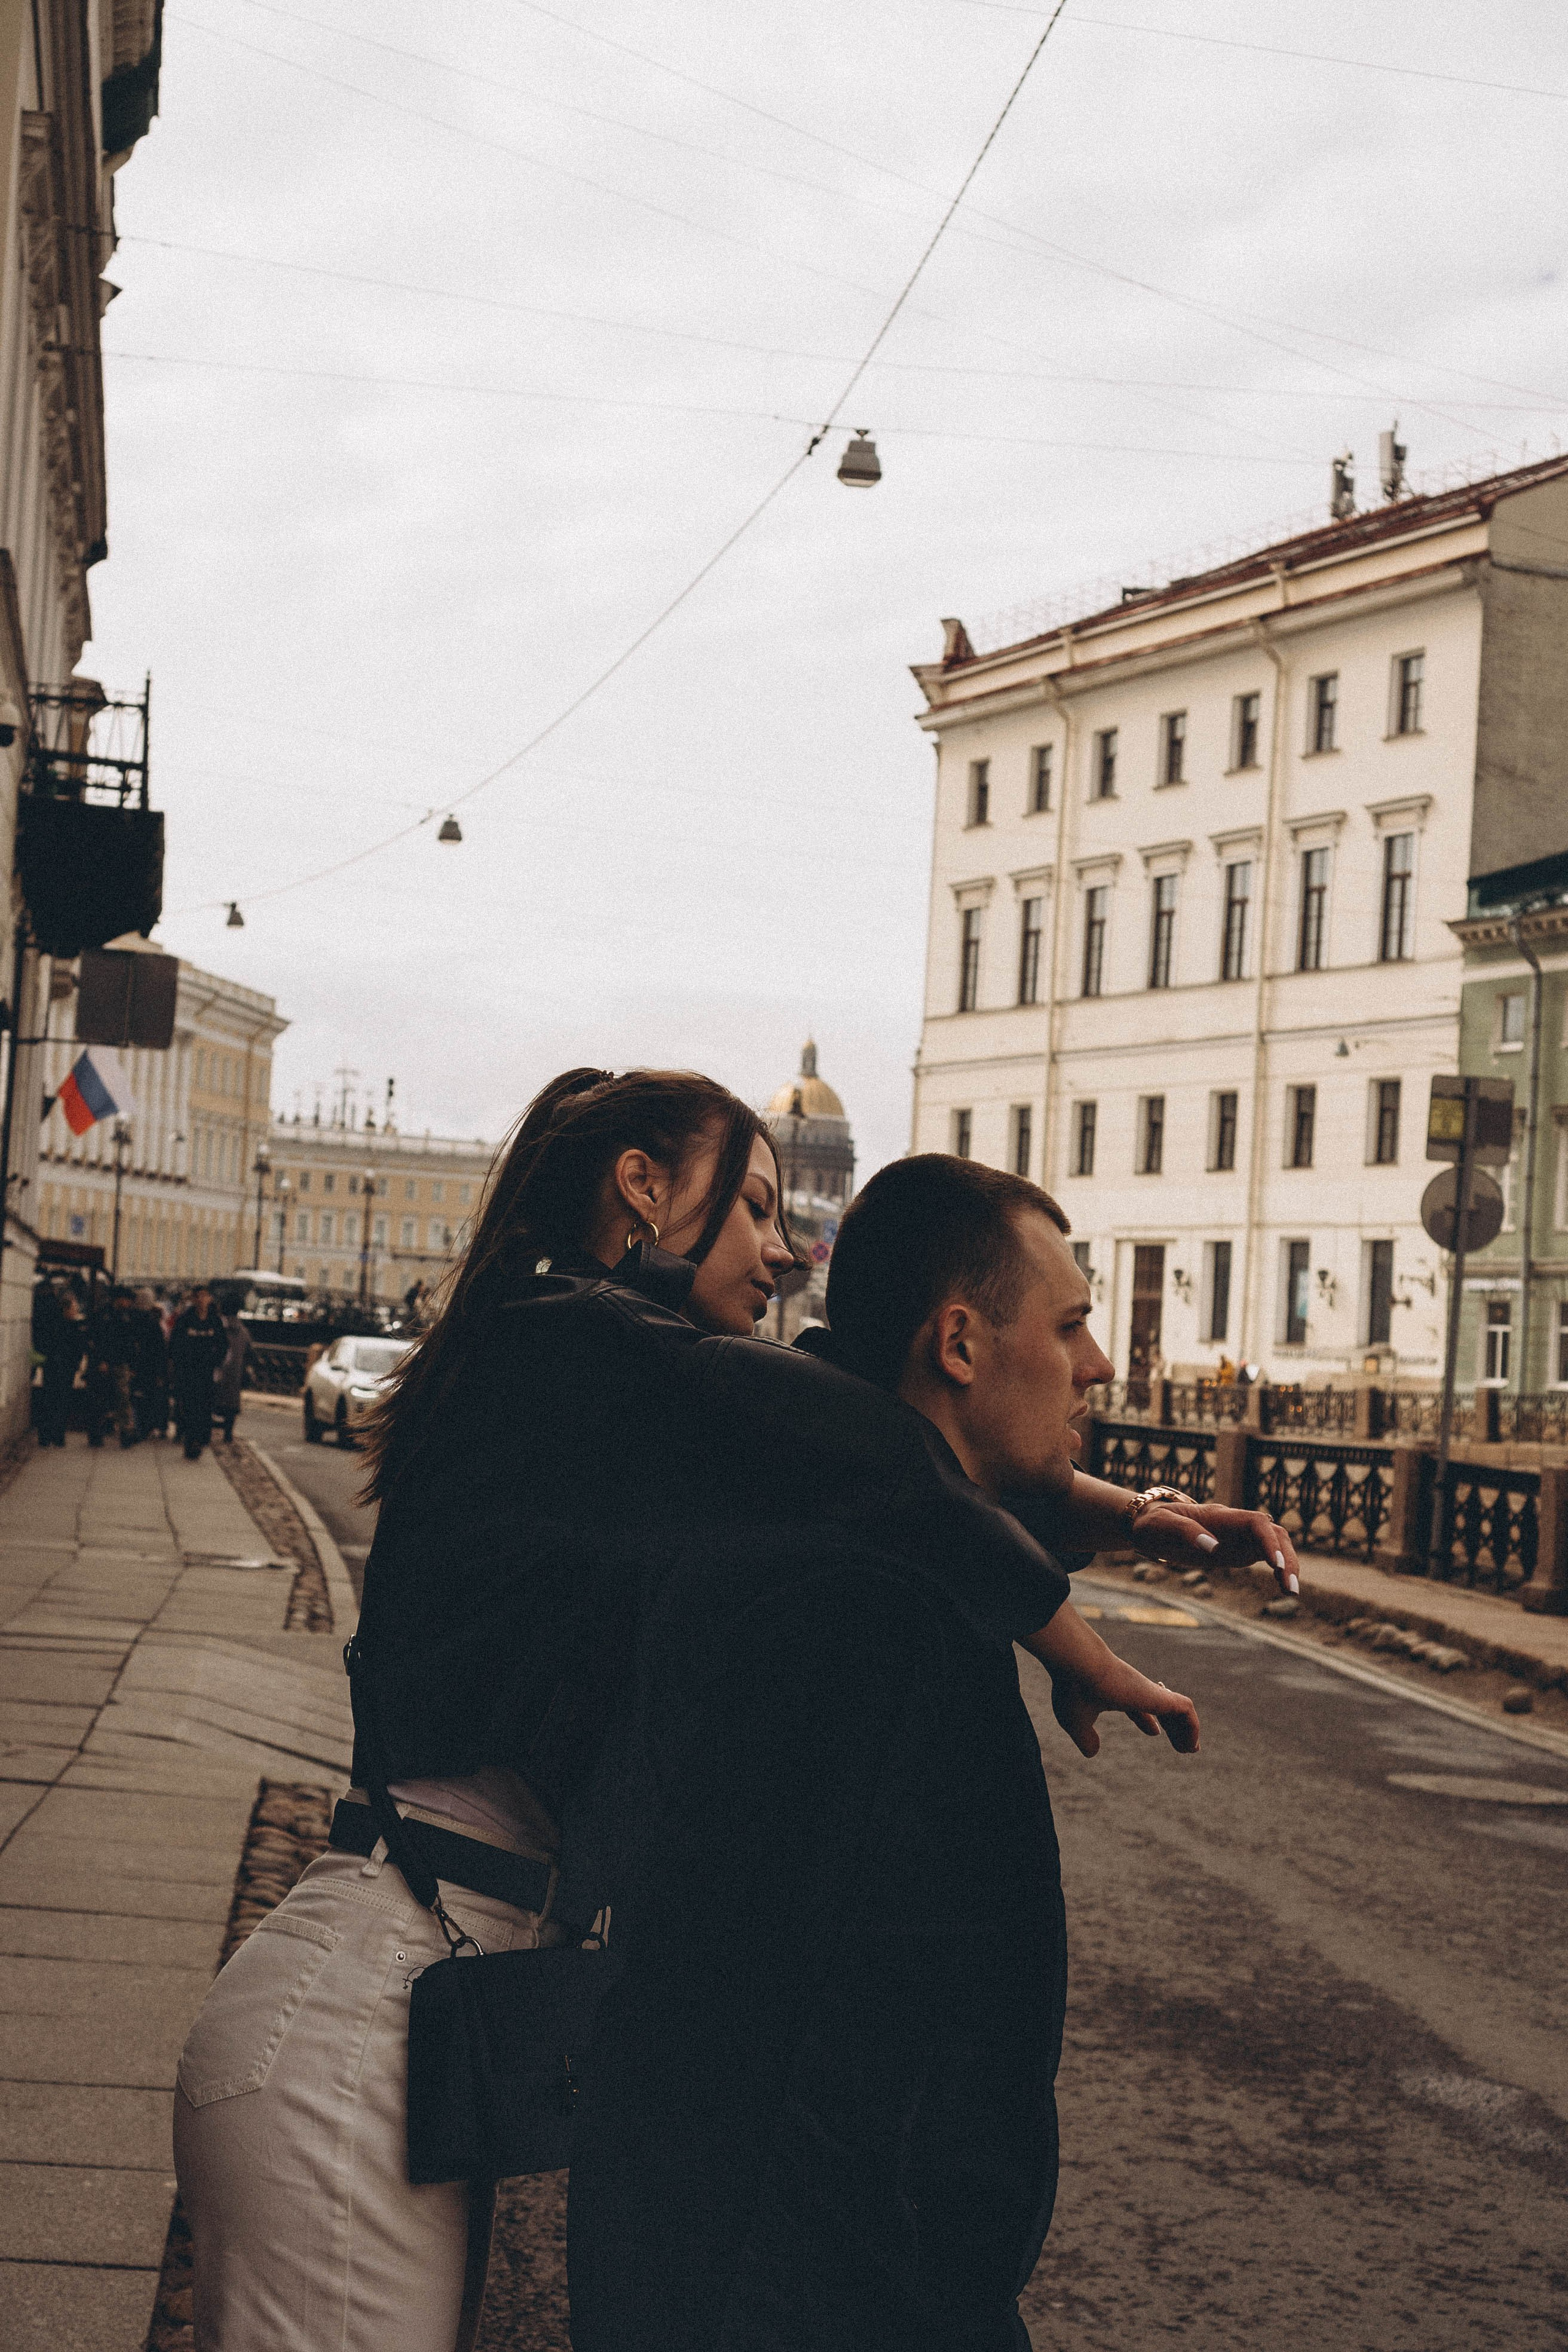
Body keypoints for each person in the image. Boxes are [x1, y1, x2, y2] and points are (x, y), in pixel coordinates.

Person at [173, 1071, 1291, 2352]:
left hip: (402, 2010)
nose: (782, 1247)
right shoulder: (562, 1337)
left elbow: (853, 1437)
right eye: (752, 1205)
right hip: (357, 2016)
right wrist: (1072, 1641)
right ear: (641, 1188)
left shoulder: (606, 1394)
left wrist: (1109, 1511)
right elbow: (854, 1440)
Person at [568, 1155, 1296, 2351]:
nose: (1099, 1366)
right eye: (1069, 1327)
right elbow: (791, 2030)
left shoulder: (831, 1536)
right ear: (957, 1344)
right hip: (817, 2289)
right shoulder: (860, 1609)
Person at [168, 1284, 228, 1459]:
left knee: (204, 1407)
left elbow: (223, 1345)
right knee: (188, 1407)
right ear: (194, 1299)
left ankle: (200, 1438)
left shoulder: (214, 1321)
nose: (202, 1300)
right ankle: (189, 1438)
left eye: (205, 1296)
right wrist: (180, 1364)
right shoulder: (185, 1319)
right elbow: (175, 1344)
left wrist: (216, 1361)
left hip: (207, 1372)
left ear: (210, 1299)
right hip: (188, 1372)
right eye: (199, 1296)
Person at [34, 1284, 85, 1447]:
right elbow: (76, 1349)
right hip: (62, 1367)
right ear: (67, 1308)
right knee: (60, 1402)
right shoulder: (69, 1327)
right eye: (74, 1308)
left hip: (55, 1367)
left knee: (52, 1400)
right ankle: (56, 1436)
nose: (76, 1311)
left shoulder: (53, 1324)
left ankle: (48, 1436)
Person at [214, 1302, 250, 1444]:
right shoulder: (242, 1331)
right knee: (231, 1406)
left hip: (217, 1372)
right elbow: (250, 1353)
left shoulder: (218, 1327)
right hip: (235, 1374)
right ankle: (228, 1434)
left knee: (211, 1401)